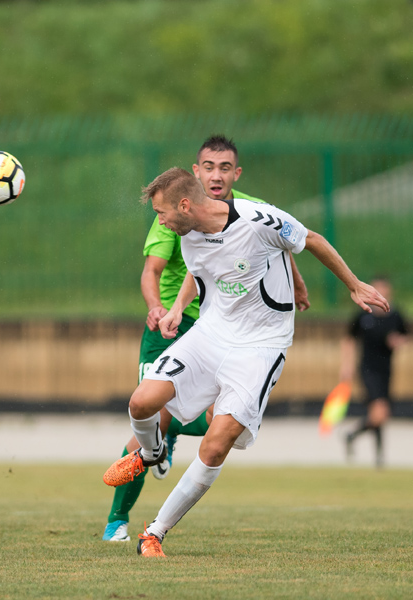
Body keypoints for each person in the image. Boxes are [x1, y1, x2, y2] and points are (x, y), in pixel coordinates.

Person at [102, 167, 388, 557]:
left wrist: (353, 285)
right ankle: (152, 453)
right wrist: (177, 309)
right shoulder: (187, 235)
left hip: (260, 346)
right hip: (211, 333)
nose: (160, 221)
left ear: (184, 205)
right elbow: (198, 274)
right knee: (141, 402)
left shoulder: (258, 219)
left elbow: (311, 239)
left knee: (216, 445)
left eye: (161, 212)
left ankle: (154, 533)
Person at [102, 135, 310, 542]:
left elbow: (282, 245)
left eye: (224, 168)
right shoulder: (173, 213)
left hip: (231, 329)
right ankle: (118, 519)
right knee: (149, 409)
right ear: (195, 173)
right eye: (209, 167)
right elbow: (154, 269)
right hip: (176, 326)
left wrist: (297, 284)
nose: (217, 175)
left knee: (218, 424)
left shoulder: (250, 210)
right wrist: (161, 308)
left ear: (236, 173)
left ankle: (158, 495)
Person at [342, 277, 408, 467]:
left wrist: (398, 341)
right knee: (380, 411)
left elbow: (405, 335)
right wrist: (346, 366)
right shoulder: (363, 314)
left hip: (386, 370)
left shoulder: (395, 315)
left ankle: (361, 443)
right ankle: (374, 452)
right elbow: (349, 339)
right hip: (367, 369)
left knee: (378, 414)